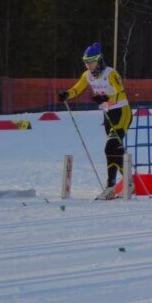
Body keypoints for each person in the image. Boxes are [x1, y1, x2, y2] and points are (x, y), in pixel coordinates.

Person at [58, 42, 132, 199]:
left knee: (110, 147)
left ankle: (111, 186)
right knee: (114, 150)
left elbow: (121, 92)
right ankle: (128, 184)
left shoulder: (110, 73)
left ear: (99, 60)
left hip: (121, 112)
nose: (88, 65)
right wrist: (66, 94)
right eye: (85, 62)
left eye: (91, 61)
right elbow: (77, 89)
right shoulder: (87, 75)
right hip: (108, 115)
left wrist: (106, 97)